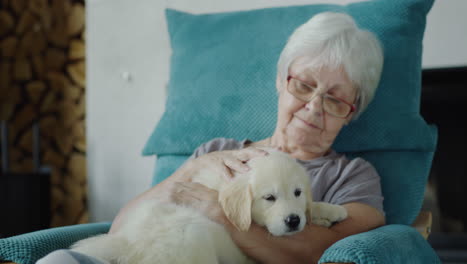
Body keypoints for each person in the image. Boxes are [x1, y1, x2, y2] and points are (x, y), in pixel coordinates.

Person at [37, 11, 384, 264]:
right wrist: (186, 176)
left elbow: (320, 253)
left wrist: (217, 209)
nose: (313, 107)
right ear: (281, 80)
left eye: (335, 99)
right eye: (305, 86)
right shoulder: (217, 151)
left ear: (352, 111)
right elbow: (124, 230)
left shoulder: (352, 177)